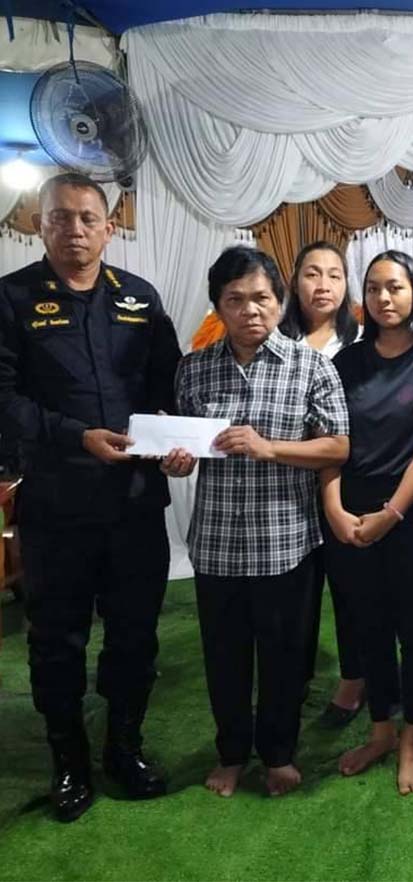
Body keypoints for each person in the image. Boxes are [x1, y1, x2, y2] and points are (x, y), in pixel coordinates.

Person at [0, 172, 184, 822]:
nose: (74, 230)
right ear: (37, 225)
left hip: (134, 505)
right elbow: (4, 400)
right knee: (57, 641)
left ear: (109, 228)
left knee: (135, 636)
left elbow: (168, 386)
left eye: (87, 218)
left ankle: (123, 748)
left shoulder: (139, 297)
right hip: (57, 507)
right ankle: (69, 761)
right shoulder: (12, 299)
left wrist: (178, 441)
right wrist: (76, 436)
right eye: (60, 217)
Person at [173, 246, 349, 798]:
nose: (250, 310)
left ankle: (278, 755)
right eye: (235, 299)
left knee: (284, 659)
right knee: (224, 659)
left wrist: (270, 447)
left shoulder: (311, 366)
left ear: (279, 301)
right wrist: (177, 460)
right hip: (217, 544)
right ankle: (231, 754)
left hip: (285, 544)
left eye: (261, 298)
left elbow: (338, 446)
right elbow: (186, 445)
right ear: (218, 306)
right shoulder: (194, 369)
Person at [321, 250, 413, 795]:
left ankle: (411, 741)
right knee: (368, 627)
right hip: (353, 518)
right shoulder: (345, 363)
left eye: (396, 287)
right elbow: (330, 441)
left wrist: (392, 514)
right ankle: (380, 731)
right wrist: (335, 509)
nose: (384, 298)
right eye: (374, 288)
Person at [279, 241, 366, 728]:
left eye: (335, 275)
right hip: (285, 489)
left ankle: (353, 680)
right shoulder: (275, 340)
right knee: (295, 596)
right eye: (313, 273)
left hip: (348, 487)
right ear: (295, 282)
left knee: (350, 591)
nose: (324, 285)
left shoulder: (361, 344)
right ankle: (293, 680)